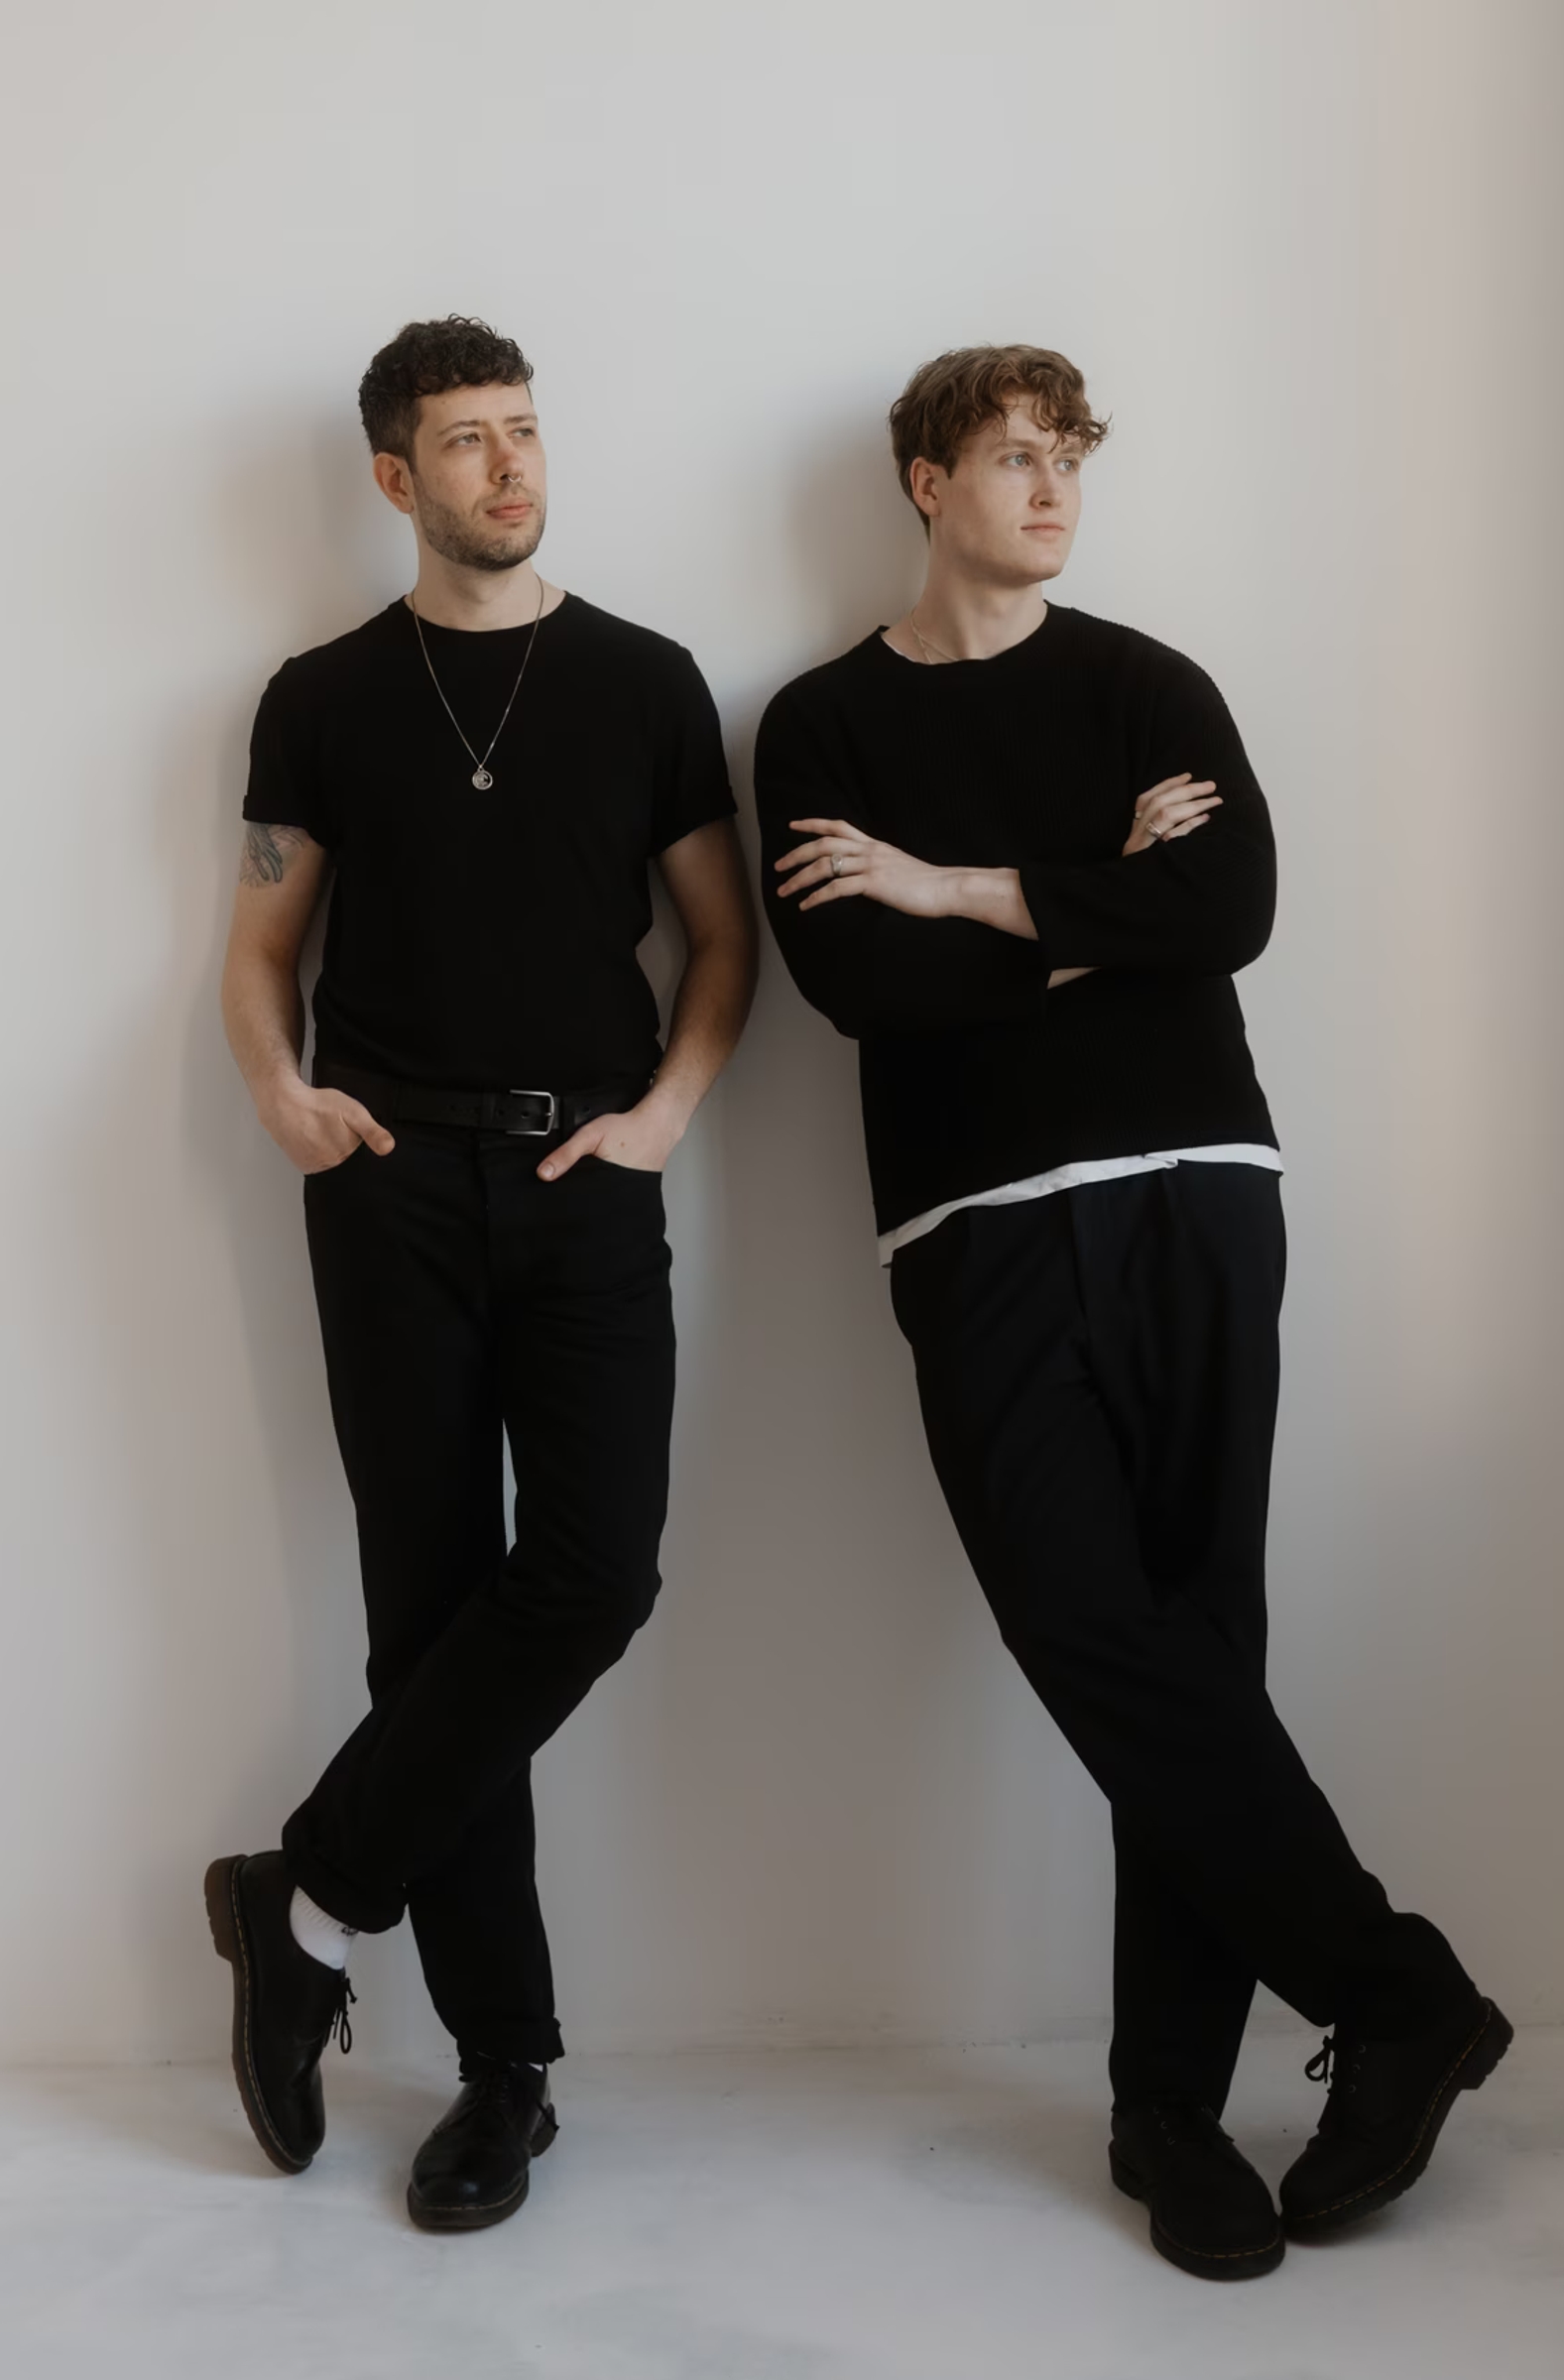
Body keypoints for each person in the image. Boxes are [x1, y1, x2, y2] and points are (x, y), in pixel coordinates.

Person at [754, 343, 1507, 2282]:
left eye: (1068, 458)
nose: (1050, 488)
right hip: (974, 1225)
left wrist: (959, 890)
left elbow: (1230, 910)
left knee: (1193, 1645)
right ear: (923, 482)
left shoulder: (1146, 684)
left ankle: (1164, 2114)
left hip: (1196, 1195)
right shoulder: (819, 727)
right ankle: (1395, 1996)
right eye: (1012, 457)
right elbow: (854, 989)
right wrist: (1093, 908)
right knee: (1097, 1635)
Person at [209, 314, 756, 2232]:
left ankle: (308, 1892)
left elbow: (718, 945)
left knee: (594, 1572)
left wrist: (670, 1112)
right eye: (466, 442)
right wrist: (281, 1100)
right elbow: (263, 949)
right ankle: (501, 2076)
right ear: (394, 478)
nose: (510, 468)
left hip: (586, 1166)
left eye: (525, 433)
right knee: (429, 1619)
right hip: (385, 1182)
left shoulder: (649, 681)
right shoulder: (320, 697)